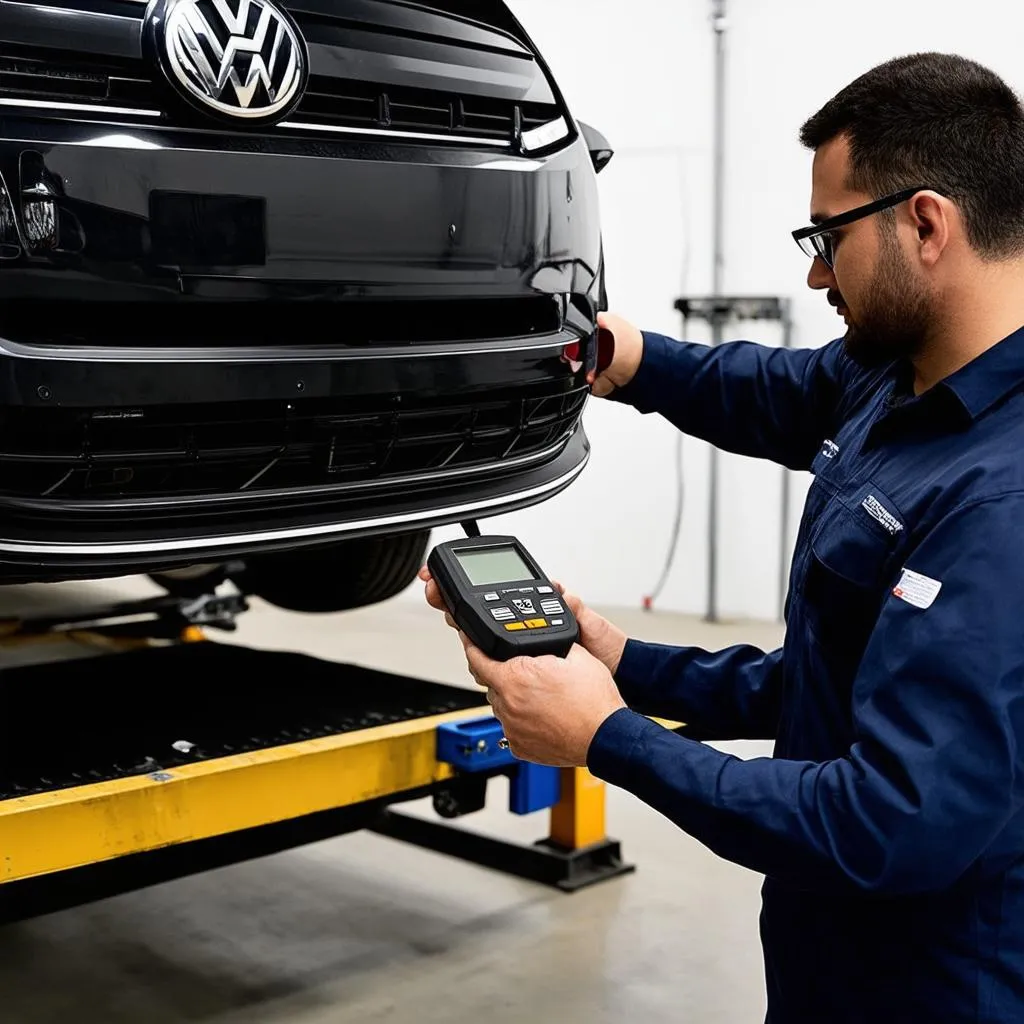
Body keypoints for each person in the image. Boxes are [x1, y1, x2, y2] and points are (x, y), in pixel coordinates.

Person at [419, 52, 1024, 1023]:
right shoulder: (892, 378)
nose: (815, 270)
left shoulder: (999, 505)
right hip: (829, 963)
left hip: (935, 989)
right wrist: (625, 659)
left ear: (924, 224)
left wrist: (607, 736)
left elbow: (888, 825)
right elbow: (831, 676)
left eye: (827, 234)